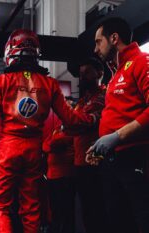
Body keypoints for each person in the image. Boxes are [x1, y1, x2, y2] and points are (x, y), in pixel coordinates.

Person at [0, 29, 96, 233]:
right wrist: (93, 119)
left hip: (8, 148)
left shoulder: (1, 82)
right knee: (31, 208)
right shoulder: (50, 83)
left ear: (11, 51)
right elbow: (71, 119)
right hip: (34, 151)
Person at [87, 17, 149, 233]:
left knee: (141, 219)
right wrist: (99, 145)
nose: (96, 49)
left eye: (98, 42)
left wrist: (117, 136)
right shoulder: (115, 74)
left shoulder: (142, 62)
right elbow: (118, 115)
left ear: (114, 38)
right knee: (117, 221)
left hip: (136, 156)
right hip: (113, 160)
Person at [70, 58, 109, 233]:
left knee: (98, 213)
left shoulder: (105, 95)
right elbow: (72, 126)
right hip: (78, 163)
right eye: (81, 73)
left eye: (87, 72)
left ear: (99, 74)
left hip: (96, 163)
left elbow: (85, 122)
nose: (82, 76)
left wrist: (69, 121)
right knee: (84, 213)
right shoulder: (82, 101)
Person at [42, 98, 75, 233]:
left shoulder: (72, 127)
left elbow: (52, 144)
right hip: (53, 175)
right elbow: (45, 145)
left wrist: (49, 144)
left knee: (66, 211)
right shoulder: (58, 127)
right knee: (55, 210)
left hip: (65, 175)